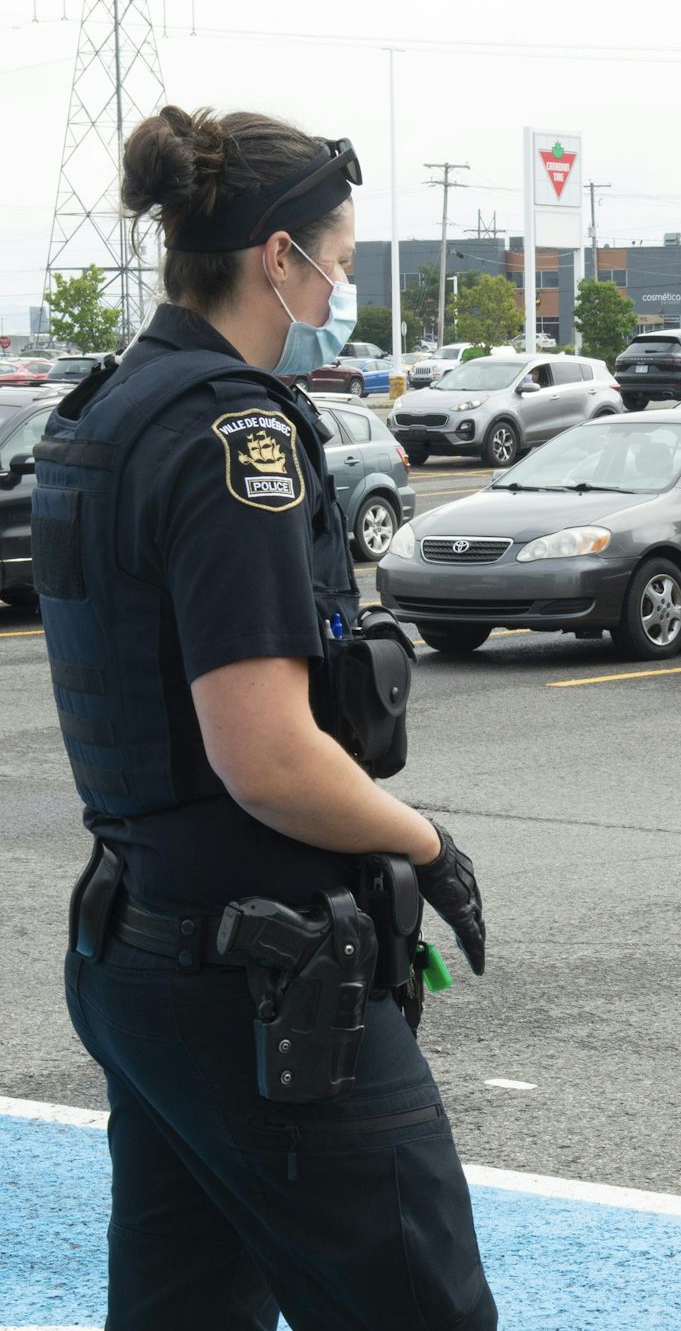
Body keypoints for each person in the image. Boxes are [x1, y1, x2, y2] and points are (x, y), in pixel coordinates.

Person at [37, 106, 495, 1329]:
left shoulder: (107, 410)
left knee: (184, 1310)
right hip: (258, 970)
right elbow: (266, 752)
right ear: (276, 258)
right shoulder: (235, 433)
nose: (343, 285)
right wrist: (423, 840)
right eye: (339, 261)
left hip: (140, 935)